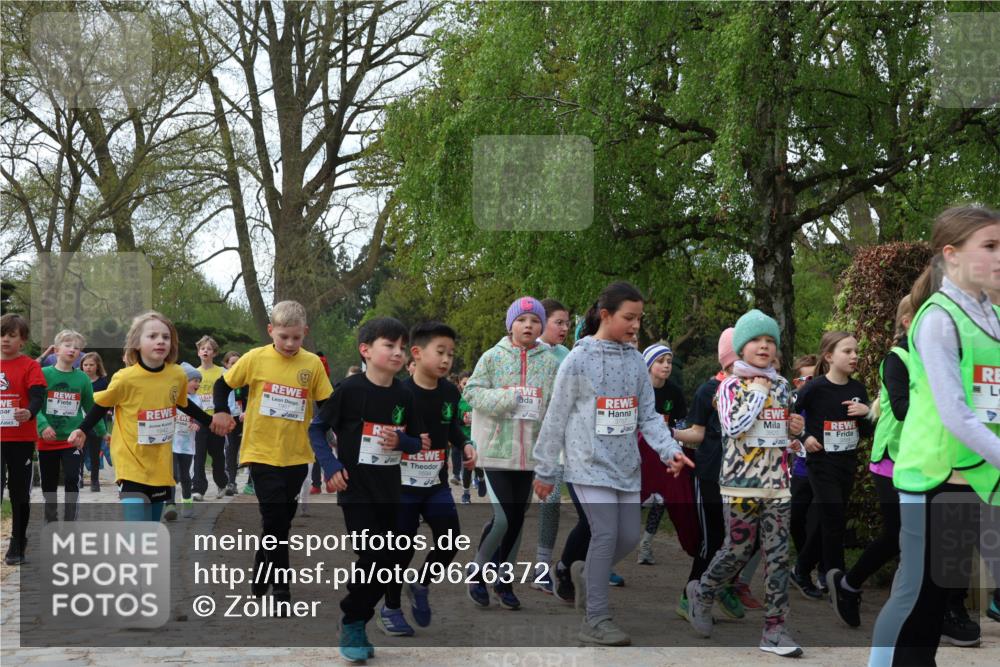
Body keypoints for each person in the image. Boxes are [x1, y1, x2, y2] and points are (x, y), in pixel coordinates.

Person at [869, 206, 1000, 666]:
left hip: (972, 478)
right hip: (931, 478)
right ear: (952, 255)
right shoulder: (938, 318)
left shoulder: (993, 317)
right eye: (990, 246)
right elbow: (956, 415)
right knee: (915, 597)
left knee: (938, 594)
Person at [534, 282, 693, 645]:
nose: (636, 325)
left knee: (628, 536)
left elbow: (649, 417)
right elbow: (556, 416)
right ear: (605, 315)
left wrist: (670, 450)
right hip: (586, 463)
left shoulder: (637, 362)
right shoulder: (578, 359)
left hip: (625, 464)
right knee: (604, 533)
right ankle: (596, 619)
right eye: (629, 317)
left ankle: (587, 574)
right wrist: (544, 469)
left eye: (639, 318)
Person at [685, 309, 806, 658]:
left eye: (770, 341)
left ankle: (774, 629)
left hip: (777, 485)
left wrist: (793, 429)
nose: (764, 346)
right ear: (741, 348)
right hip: (739, 484)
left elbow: (777, 430)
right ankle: (703, 591)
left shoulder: (783, 386)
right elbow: (735, 427)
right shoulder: (729, 386)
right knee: (737, 550)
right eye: (756, 340)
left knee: (779, 556)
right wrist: (756, 392)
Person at [307, 316, 423, 662]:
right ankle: (354, 619)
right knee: (373, 557)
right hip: (355, 490)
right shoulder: (348, 390)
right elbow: (317, 430)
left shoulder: (405, 393)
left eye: (402, 347)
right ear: (366, 350)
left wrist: (401, 439)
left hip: (392, 490)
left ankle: (355, 617)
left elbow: (417, 442)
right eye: (389, 346)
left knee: (389, 562)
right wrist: (331, 465)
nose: (398, 353)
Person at [209, 301, 333, 612]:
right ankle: (281, 590)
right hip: (261, 451)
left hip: (295, 455)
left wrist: (331, 430)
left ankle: (262, 562)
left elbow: (327, 402)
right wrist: (222, 411)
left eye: (296, 338)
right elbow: (224, 384)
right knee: (275, 518)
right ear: (270, 332)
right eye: (283, 337)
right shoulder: (255, 358)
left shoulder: (312, 364)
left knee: (280, 520)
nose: (290, 344)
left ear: (304, 333)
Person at [377, 321, 477, 636]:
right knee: (400, 549)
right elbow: (388, 432)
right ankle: (390, 608)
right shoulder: (400, 392)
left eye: (451, 353)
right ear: (417, 354)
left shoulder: (449, 391)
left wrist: (464, 443)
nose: (447, 360)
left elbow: (450, 427)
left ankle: (420, 583)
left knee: (450, 539)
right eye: (440, 352)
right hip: (402, 485)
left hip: (435, 483)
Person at [70, 312, 214, 522]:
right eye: (153, 336)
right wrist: (82, 429)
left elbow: (183, 404)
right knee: (137, 523)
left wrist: (210, 421)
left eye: (165, 337)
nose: (160, 341)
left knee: (152, 524)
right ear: (136, 343)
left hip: (159, 462)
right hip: (131, 459)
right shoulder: (125, 378)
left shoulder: (176, 375)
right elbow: (102, 405)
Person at [465, 296, 559, 611]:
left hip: (530, 453)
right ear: (511, 325)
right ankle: (476, 571)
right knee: (503, 518)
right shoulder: (492, 356)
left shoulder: (551, 362)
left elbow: (556, 405)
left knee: (517, 519)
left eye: (534, 321)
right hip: (495, 450)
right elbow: (472, 392)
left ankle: (504, 581)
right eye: (522, 320)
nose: (528, 325)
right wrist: (506, 397)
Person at [673, 329, 752, 618]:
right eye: (739, 356)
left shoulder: (759, 389)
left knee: (745, 541)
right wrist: (666, 433)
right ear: (728, 360)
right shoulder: (709, 390)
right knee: (713, 540)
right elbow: (696, 433)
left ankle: (720, 586)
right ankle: (688, 595)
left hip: (745, 478)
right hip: (710, 476)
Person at [36, 329, 104, 523]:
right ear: (56, 350)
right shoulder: (44, 374)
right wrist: (42, 426)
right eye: (68, 345)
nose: (72, 350)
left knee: (73, 479)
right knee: (48, 483)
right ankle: (51, 520)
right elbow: (35, 405)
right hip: (47, 439)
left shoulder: (82, 378)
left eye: (77, 348)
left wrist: (102, 432)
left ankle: (70, 522)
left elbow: (91, 407)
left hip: (72, 440)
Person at [530, 298, 573, 592]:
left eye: (567, 323)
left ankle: (543, 568)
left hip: (558, 441)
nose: (565, 328)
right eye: (559, 322)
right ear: (542, 321)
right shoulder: (526, 352)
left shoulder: (568, 355)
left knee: (553, 499)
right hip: (525, 440)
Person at [1, 313, 47, 565]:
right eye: (2, 334)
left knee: (19, 493)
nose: (5, 340)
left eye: (11, 335)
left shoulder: (30, 366)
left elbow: (38, 396)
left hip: (19, 439)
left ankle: (18, 541)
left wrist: (29, 411)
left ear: (22, 340)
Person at [787, 353, 825, 599]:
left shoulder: (824, 398)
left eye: (815, 377)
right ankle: (803, 567)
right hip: (799, 469)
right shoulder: (789, 400)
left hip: (821, 468)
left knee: (818, 522)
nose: (811, 383)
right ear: (797, 381)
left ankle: (818, 570)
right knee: (795, 520)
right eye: (806, 378)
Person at [165, 362, 202, 520]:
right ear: (184, 381)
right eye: (194, 380)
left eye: (199, 381)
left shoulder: (197, 400)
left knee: (185, 475)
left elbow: (200, 417)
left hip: (187, 445)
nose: (197, 384)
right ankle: (170, 504)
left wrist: (197, 424)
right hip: (171, 443)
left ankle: (187, 502)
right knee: (171, 475)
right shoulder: (172, 397)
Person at [193, 335, 227, 500]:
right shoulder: (193, 373)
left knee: (217, 455)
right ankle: (198, 488)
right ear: (198, 352)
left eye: (209, 349)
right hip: (200, 420)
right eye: (202, 348)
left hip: (217, 420)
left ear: (214, 353)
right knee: (199, 455)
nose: (205, 351)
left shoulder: (222, 372)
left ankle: (222, 482)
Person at [80, 352, 111, 491]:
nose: (88, 367)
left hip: (98, 422)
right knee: (79, 452)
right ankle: (79, 479)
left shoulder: (103, 382)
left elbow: (108, 401)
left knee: (95, 453)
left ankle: (94, 481)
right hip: (80, 421)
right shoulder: (79, 380)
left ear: (97, 366)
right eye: (85, 365)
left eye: (91, 365)